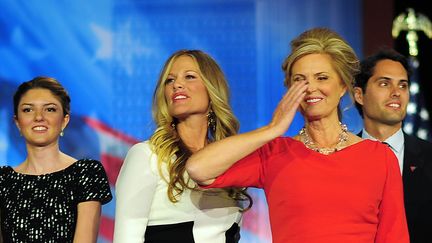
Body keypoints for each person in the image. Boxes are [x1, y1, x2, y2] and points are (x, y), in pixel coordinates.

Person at [186, 27, 409, 243]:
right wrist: (271, 129)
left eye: (322, 78)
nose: (310, 88)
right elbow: (199, 168)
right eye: (299, 80)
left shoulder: (380, 157)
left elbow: (394, 236)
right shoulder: (276, 153)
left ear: (343, 86)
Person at [113, 49, 249, 243]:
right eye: (170, 80)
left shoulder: (228, 162)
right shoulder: (147, 156)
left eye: (190, 77)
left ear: (212, 90)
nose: (177, 84)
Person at [0, 76, 112, 242]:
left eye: (50, 109)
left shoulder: (85, 173)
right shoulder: (3, 180)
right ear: (17, 122)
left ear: (64, 121)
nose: (39, 117)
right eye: (28, 110)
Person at [354, 48, 432, 243]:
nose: (396, 93)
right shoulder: (339, 157)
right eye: (384, 83)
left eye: (403, 85)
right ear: (359, 95)